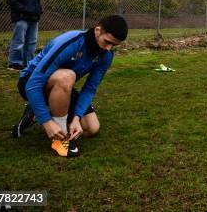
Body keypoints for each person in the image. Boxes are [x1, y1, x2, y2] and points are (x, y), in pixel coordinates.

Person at [11, 15, 128, 157]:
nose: (108, 48)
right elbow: (33, 83)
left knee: (92, 128)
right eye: (107, 42)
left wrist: (77, 118)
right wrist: (46, 122)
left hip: (61, 87)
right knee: (68, 76)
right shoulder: (71, 41)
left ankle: (35, 111)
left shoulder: (106, 56)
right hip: (30, 82)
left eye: (114, 45)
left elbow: (90, 88)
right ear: (98, 30)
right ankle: (60, 137)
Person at [6, 0, 43, 71]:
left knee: (32, 41)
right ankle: (14, 63)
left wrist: (39, 10)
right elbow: (11, 0)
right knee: (19, 41)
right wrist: (26, 10)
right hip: (21, 17)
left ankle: (29, 63)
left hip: (34, 18)